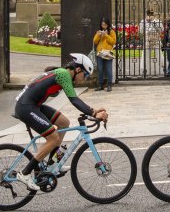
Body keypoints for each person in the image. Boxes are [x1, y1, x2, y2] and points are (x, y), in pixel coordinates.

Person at [14, 53, 108, 191]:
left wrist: (93, 110)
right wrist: (93, 112)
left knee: (64, 122)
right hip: (25, 107)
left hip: (32, 105)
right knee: (54, 138)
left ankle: (53, 164)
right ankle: (25, 173)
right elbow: (74, 99)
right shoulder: (64, 74)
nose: (85, 79)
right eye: (85, 75)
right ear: (78, 70)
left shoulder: (63, 74)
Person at [93, 18, 116, 91]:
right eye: (102, 25)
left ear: (108, 24)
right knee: (100, 69)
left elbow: (113, 42)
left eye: (105, 25)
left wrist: (106, 35)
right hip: (100, 52)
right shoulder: (99, 31)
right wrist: (98, 35)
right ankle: (100, 85)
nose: (103, 26)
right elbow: (95, 41)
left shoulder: (111, 32)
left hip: (108, 53)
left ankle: (109, 84)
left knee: (109, 69)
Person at [139, 9, 164, 76]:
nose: (150, 15)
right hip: (147, 40)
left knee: (159, 54)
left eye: (151, 14)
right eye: (149, 14)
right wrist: (145, 23)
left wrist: (153, 23)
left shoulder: (157, 21)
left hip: (156, 40)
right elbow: (141, 31)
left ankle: (163, 66)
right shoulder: (143, 21)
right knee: (145, 55)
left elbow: (161, 30)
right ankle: (145, 69)